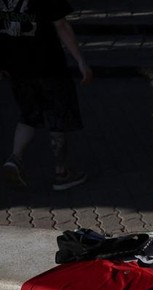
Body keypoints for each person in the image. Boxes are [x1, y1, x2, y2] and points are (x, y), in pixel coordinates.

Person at [1, 0, 92, 191]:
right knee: (57, 116)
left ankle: (15, 157)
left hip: (17, 67)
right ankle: (62, 172)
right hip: (48, 65)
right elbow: (61, 25)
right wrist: (81, 61)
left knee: (28, 115)